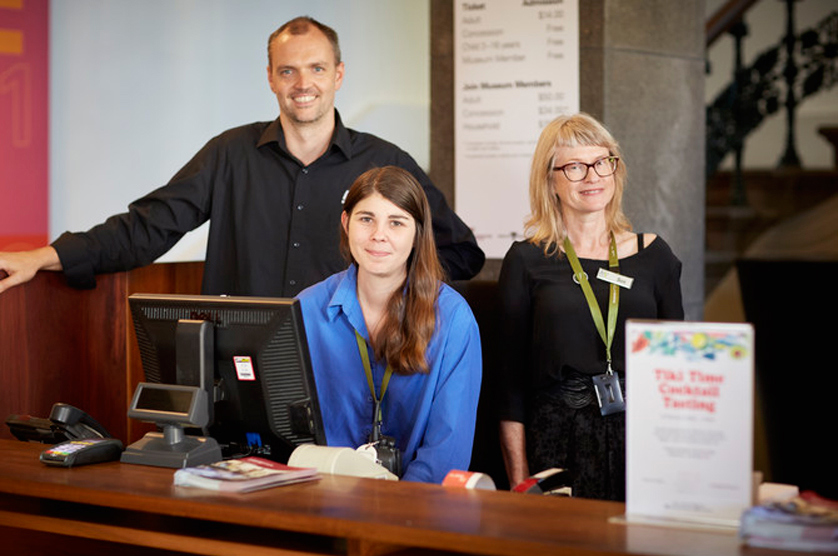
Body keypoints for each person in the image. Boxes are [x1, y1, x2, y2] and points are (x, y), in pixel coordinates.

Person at [0, 16, 483, 297]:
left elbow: (461, 254)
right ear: (271, 78)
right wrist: (45, 257)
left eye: (316, 68)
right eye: (288, 71)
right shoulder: (229, 153)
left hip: (352, 366)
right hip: (240, 366)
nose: (302, 84)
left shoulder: (386, 162)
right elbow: (147, 228)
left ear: (338, 75)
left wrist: (388, 291)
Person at [497, 113, 683, 501]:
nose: (593, 177)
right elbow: (509, 383)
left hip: (643, 437)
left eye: (602, 162)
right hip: (559, 438)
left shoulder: (654, 256)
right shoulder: (527, 260)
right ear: (550, 179)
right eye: (575, 167)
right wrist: (519, 481)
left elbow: (676, 369)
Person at [297, 166, 482, 484]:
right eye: (365, 219)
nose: (378, 235)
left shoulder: (453, 319)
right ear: (346, 223)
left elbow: (446, 451)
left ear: (417, 234)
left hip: (415, 509)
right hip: (320, 497)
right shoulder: (306, 309)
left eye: (396, 222)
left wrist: (396, 509)